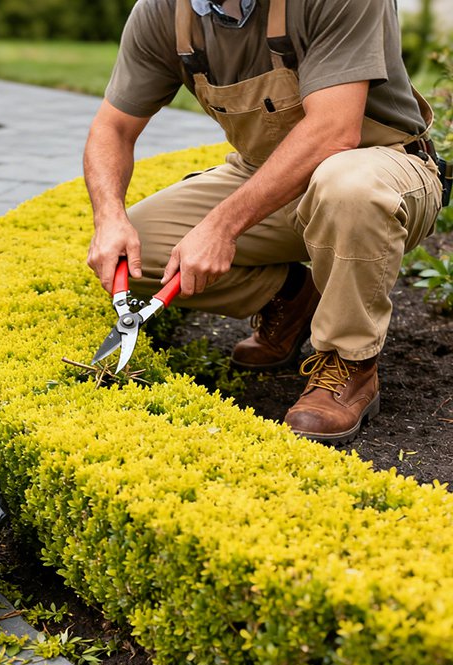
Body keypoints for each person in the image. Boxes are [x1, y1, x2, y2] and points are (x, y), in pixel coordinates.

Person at [84, 0, 444, 444]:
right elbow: (113, 128)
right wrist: (110, 218)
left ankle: (349, 364)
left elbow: (335, 130)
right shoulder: (162, 12)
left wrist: (221, 228)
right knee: (140, 252)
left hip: (383, 169)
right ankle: (291, 297)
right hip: (264, 178)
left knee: (348, 187)